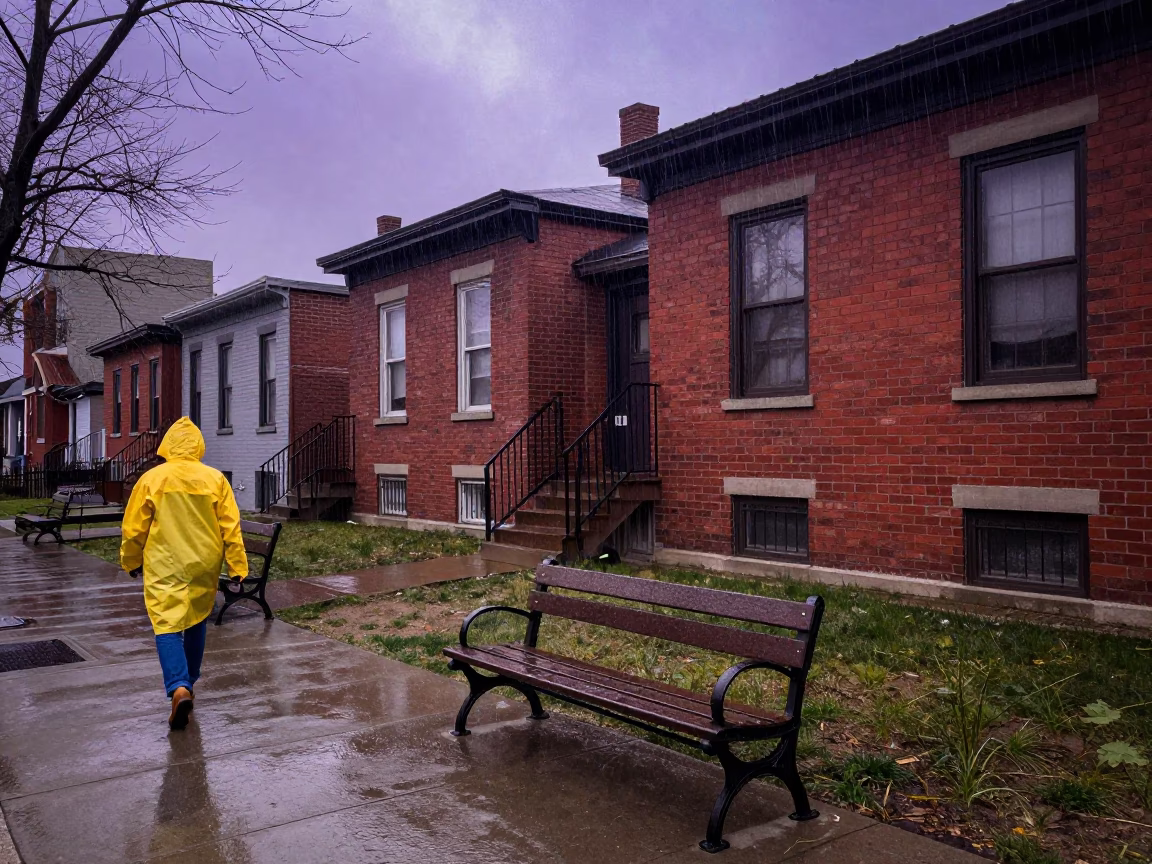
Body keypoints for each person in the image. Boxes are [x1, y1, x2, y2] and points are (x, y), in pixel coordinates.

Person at [120, 417, 248, 730]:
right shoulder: (215, 479)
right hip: (205, 561)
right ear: (198, 445)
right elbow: (230, 526)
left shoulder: (152, 479)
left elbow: (134, 528)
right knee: (196, 617)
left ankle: (179, 686)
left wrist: (131, 560)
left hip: (166, 561)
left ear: (167, 445)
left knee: (166, 623)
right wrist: (237, 566)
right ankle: (188, 684)